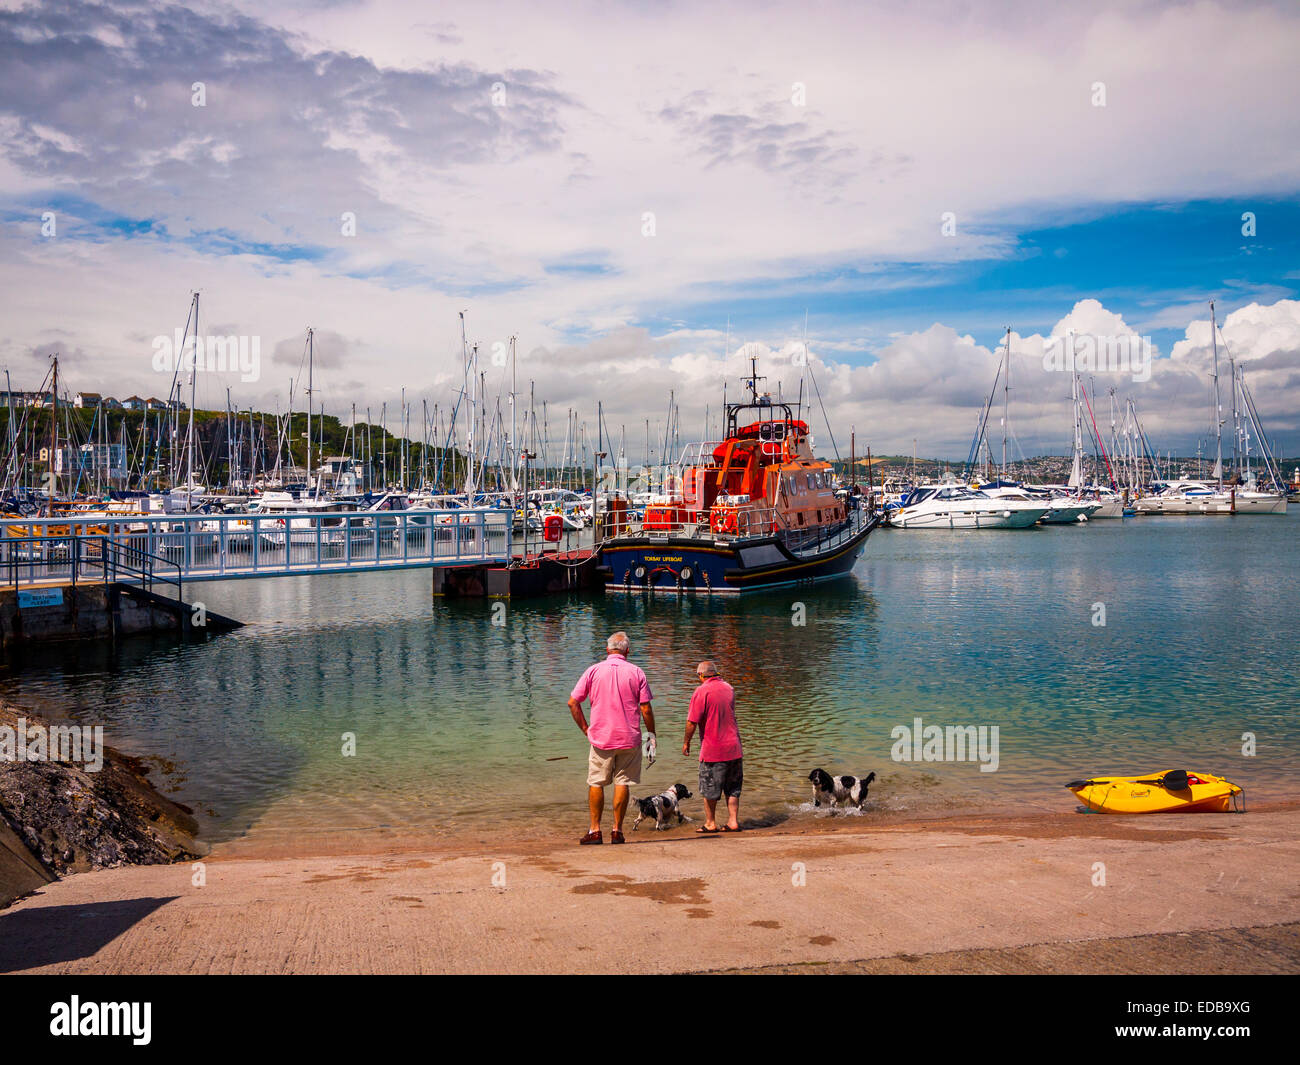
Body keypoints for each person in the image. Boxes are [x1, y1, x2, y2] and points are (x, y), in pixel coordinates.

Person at [568, 631, 656, 845]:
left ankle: (595, 831)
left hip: (601, 739)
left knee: (596, 783)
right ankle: (617, 831)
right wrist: (651, 737)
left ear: (607, 650)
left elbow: (573, 703)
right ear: (628, 651)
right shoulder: (637, 672)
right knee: (622, 783)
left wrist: (586, 729)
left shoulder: (593, 671)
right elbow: (645, 708)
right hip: (630, 738)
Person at [682, 661, 743, 833]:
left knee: (709, 788)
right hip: (734, 748)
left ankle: (710, 823)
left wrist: (686, 742)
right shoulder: (729, 688)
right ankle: (733, 822)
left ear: (701, 675)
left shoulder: (702, 691)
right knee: (733, 788)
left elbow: (691, 722)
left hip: (713, 750)